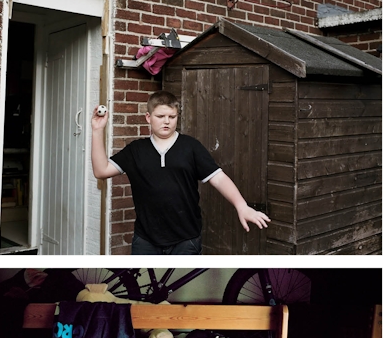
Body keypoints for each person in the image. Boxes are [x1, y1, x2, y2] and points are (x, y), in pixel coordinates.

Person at [89, 91, 270, 255]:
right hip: (146, 241)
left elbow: (219, 178)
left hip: (186, 240)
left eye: (172, 116)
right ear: (148, 117)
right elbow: (101, 170)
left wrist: (241, 205)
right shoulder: (135, 150)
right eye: (160, 116)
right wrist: (97, 131)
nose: (166, 121)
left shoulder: (191, 147)